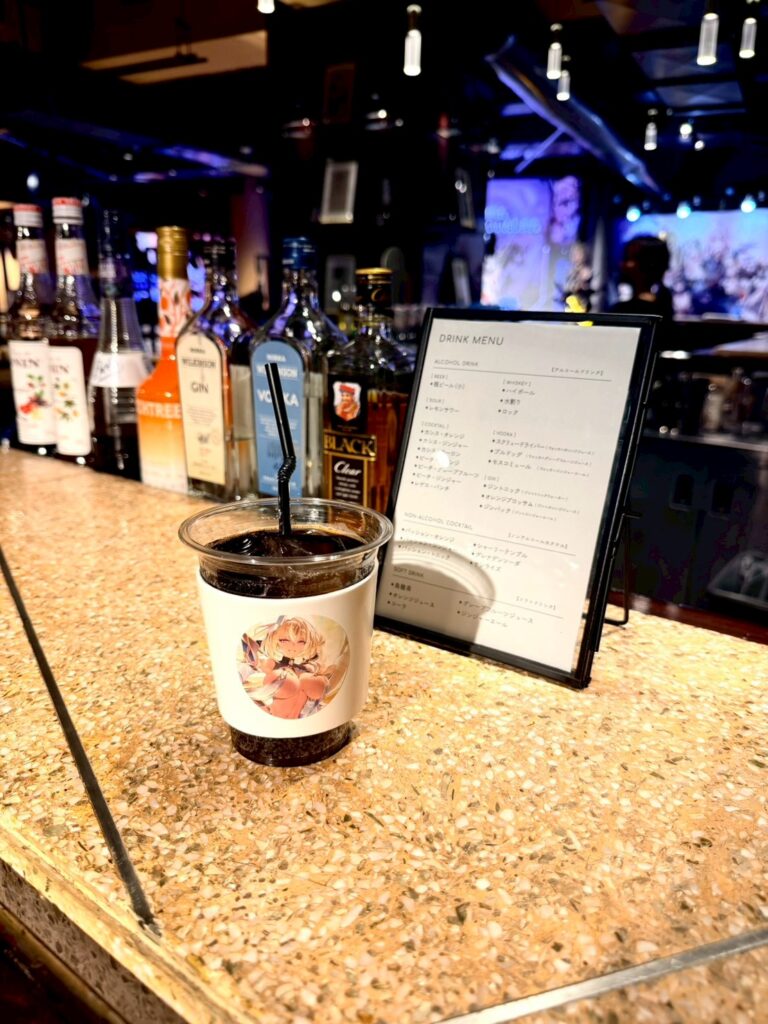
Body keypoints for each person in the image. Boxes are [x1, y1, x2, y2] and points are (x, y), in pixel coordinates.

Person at [611, 235, 674, 319]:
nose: (622, 265)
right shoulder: (663, 303)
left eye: (629, 259)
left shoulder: (627, 310)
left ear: (648, 266)